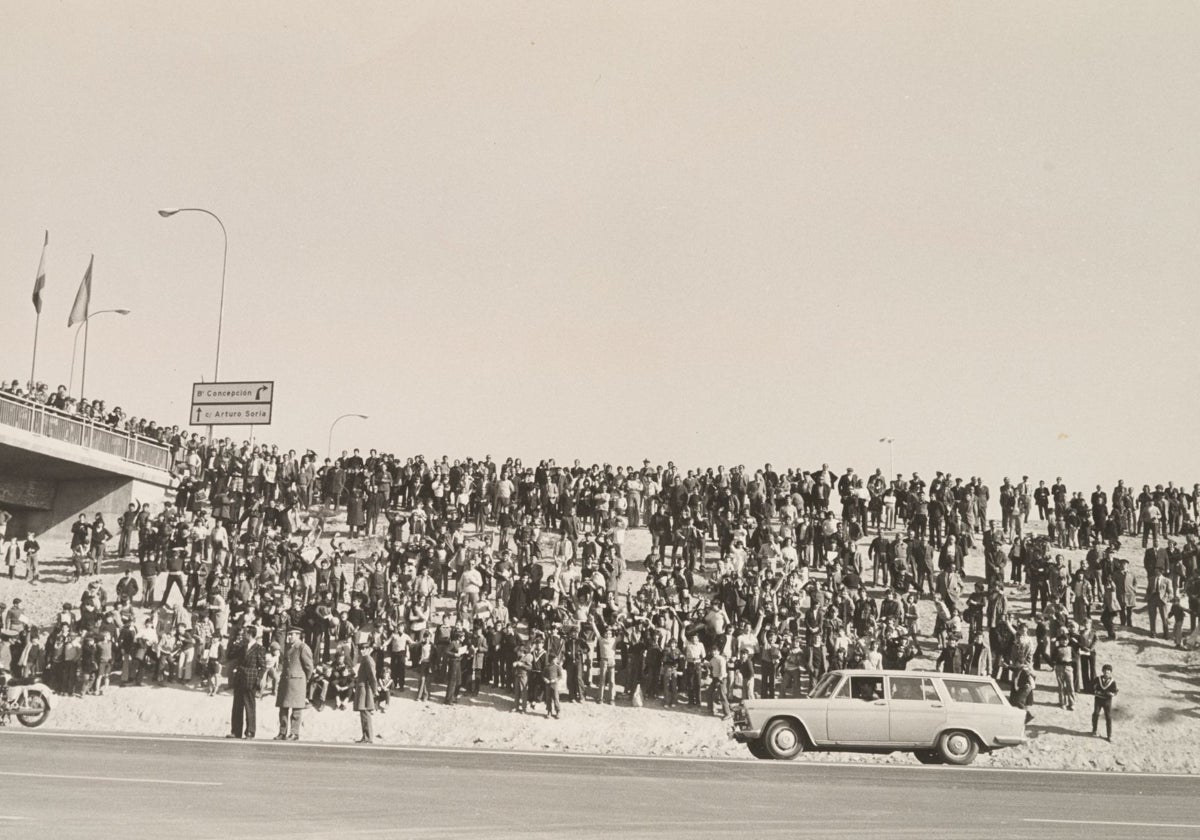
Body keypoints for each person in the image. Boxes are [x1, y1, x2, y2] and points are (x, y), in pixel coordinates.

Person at [227, 626, 266, 739]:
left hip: (250, 678)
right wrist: (235, 643)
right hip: (240, 677)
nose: (244, 635)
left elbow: (262, 666)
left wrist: (257, 679)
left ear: (250, 634)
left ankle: (250, 731)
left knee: (249, 706)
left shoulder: (259, 648)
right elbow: (230, 655)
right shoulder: (242, 646)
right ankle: (236, 731)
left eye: (245, 633)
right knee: (237, 706)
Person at [275, 627, 313, 741]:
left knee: (296, 709)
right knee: (283, 708)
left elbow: (309, 667)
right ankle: (282, 732)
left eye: (292, 634)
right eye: (289, 634)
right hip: (286, 682)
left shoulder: (303, 647)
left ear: (298, 635)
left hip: (297, 682)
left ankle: (294, 733)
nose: (289, 637)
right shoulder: (289, 647)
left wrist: (304, 679)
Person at [353, 640, 379, 744]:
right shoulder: (365, 659)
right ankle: (365, 736)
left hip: (365, 689)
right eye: (361, 649)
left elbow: (372, 677)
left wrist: (375, 690)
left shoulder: (368, 659)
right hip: (362, 688)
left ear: (368, 649)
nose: (362, 651)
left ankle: (368, 737)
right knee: (363, 713)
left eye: (365, 649)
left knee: (365, 713)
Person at [1091, 664, 1118, 741]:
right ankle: (1094, 730)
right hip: (1098, 700)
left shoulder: (1112, 682)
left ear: (1111, 672)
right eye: (1105, 670)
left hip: (1107, 702)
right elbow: (1092, 687)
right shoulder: (1097, 679)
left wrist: (1112, 694)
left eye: (1108, 671)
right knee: (1096, 714)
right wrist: (1095, 691)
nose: (1106, 672)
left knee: (1108, 717)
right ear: (1102, 671)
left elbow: (1115, 691)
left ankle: (1109, 735)